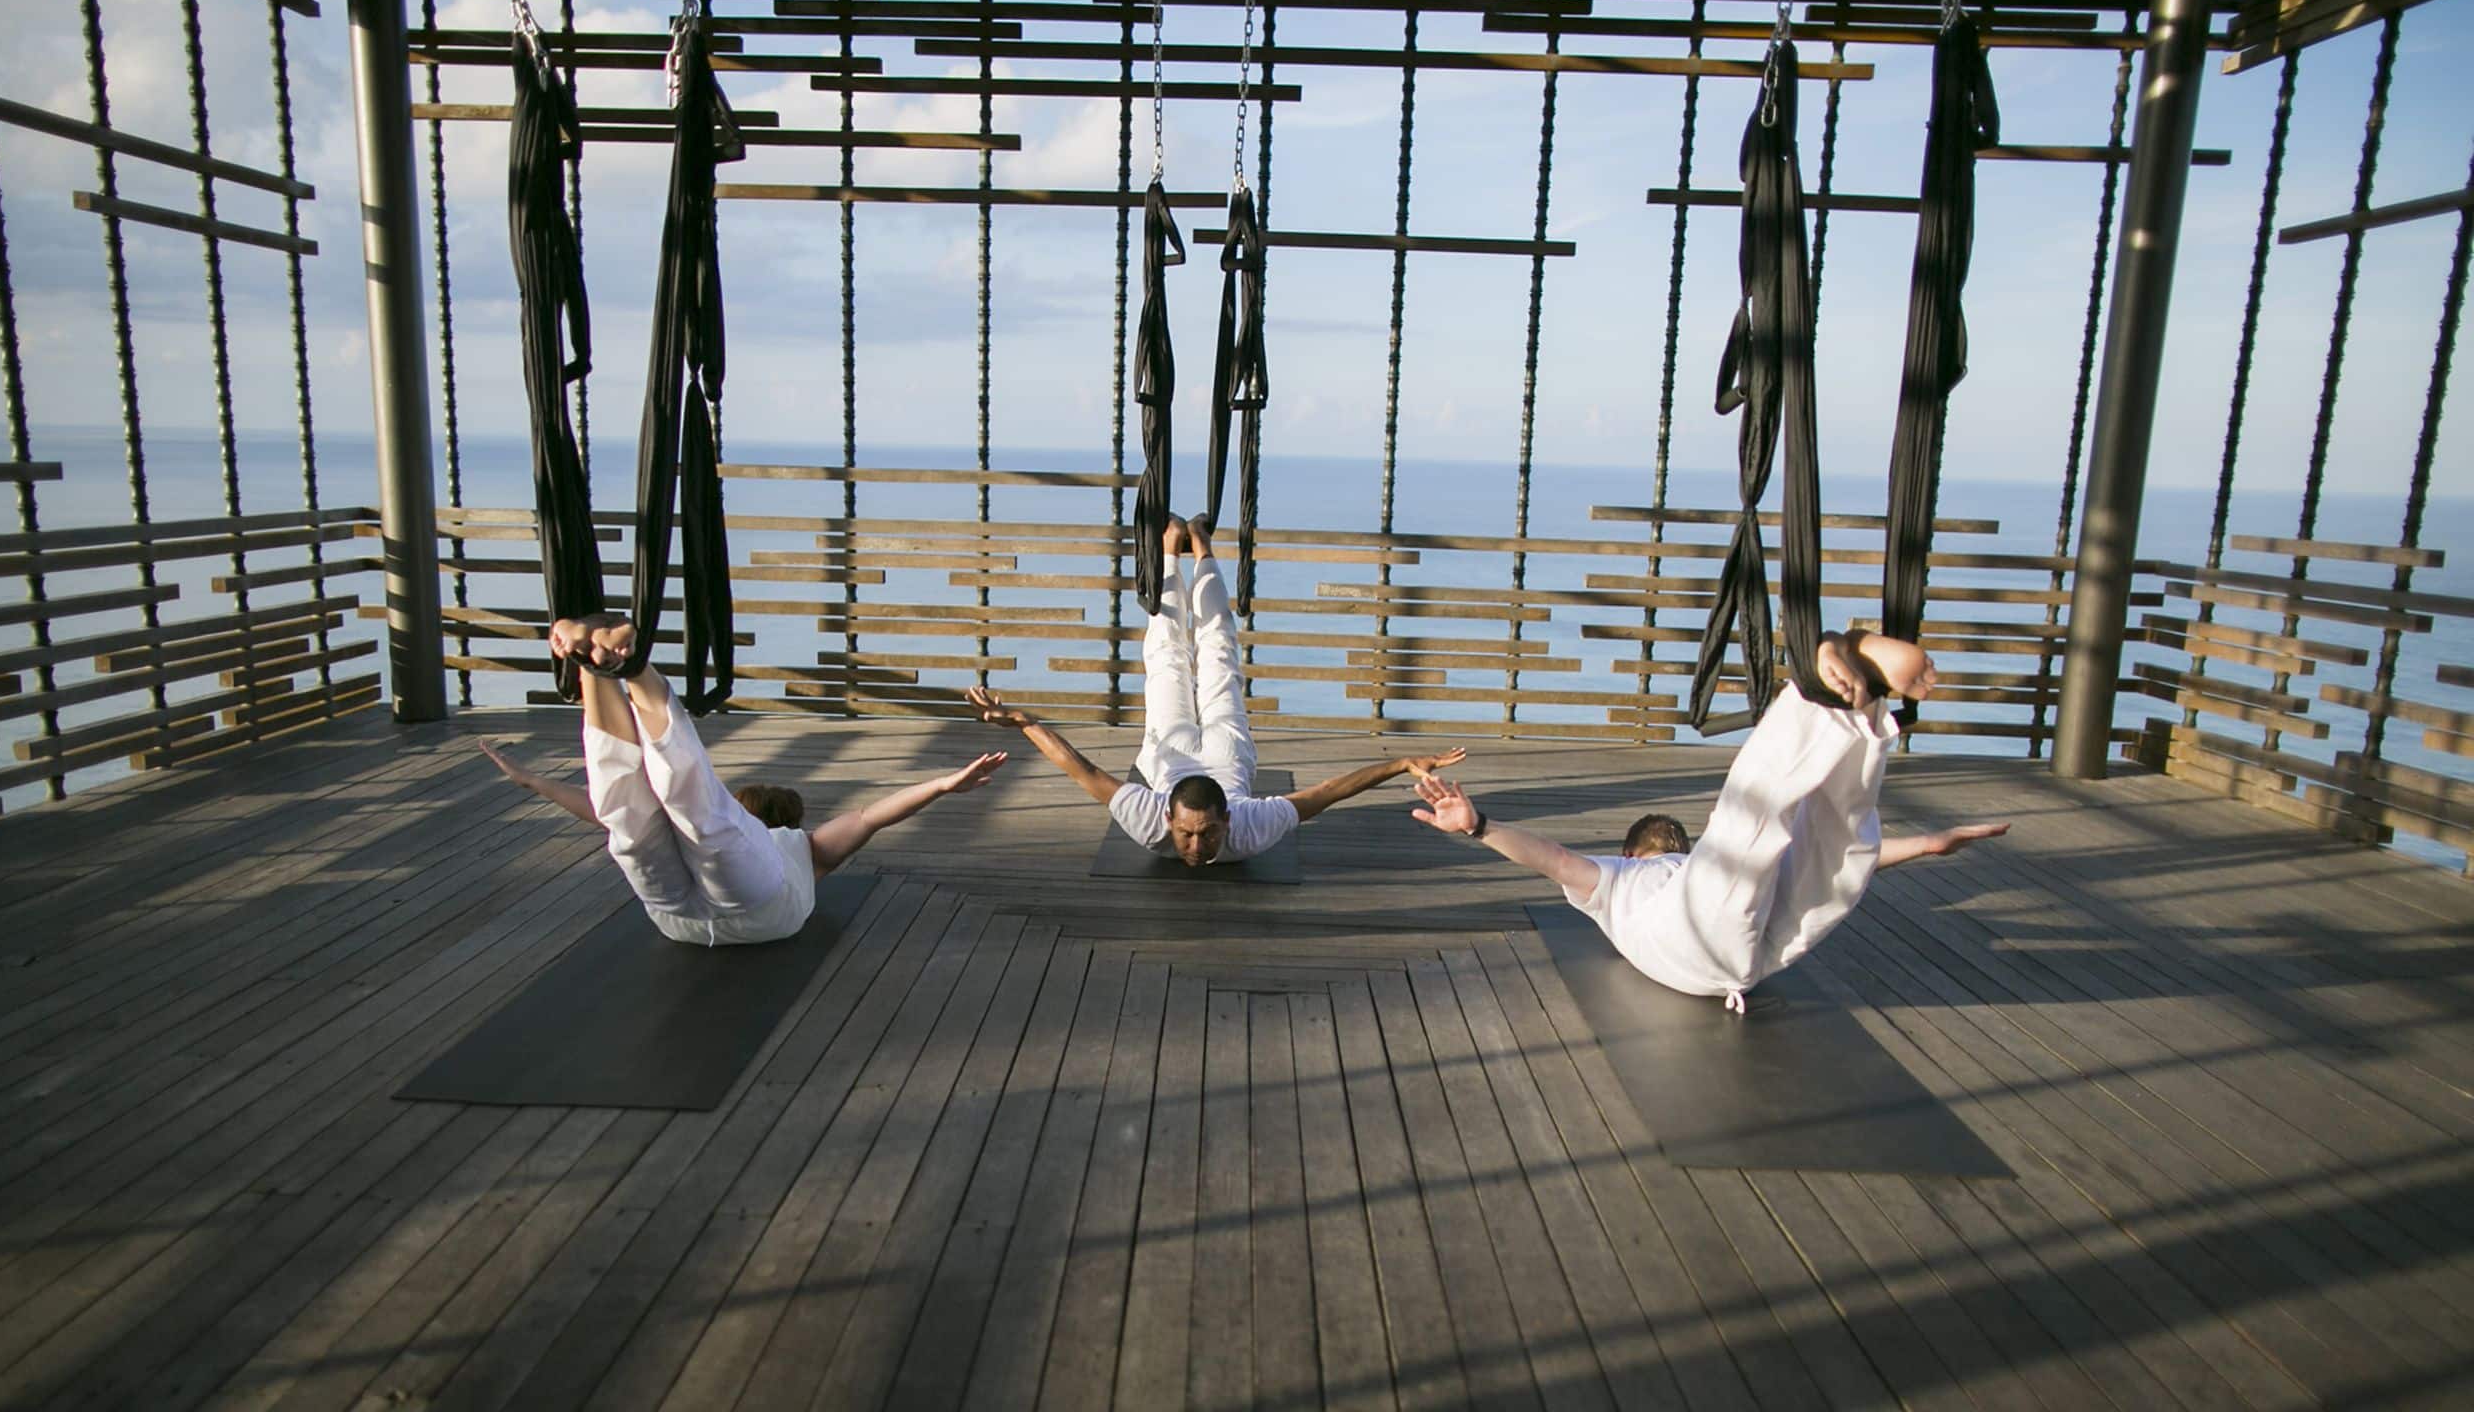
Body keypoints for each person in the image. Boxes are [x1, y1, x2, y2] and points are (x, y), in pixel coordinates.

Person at [1412, 630, 2009, 1011]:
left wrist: (1929, 845)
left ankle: (1859, 700)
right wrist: (1479, 826)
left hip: (1742, 955)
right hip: (1695, 941)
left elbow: (1557, 862)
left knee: (1833, 856)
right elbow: (1556, 859)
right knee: (1753, 835)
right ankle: (1825, 691)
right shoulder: (1619, 880)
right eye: (1666, 844)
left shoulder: (1643, 878)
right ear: (1638, 851)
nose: (1671, 843)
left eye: (1673, 842)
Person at [966, 513, 1467, 866]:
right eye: (1186, 834)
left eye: (1206, 834)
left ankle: (1175, 548)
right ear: (1168, 818)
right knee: (1217, 648)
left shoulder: (1234, 825)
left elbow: (1078, 767)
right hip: (1222, 752)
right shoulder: (1231, 826)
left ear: (1227, 819)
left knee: (1167, 653)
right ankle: (1200, 546)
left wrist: (1026, 721)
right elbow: (1327, 793)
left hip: (1173, 752)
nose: (1196, 846)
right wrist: (1399, 762)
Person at [481, 612, 1005, 947]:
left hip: (685, 921)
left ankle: (603, 668)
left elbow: (594, 808)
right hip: (718, 918)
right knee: (648, 821)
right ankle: (604, 665)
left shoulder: (796, 845)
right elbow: (871, 819)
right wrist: (941, 786)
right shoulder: (806, 849)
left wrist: (535, 783)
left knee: (638, 819)